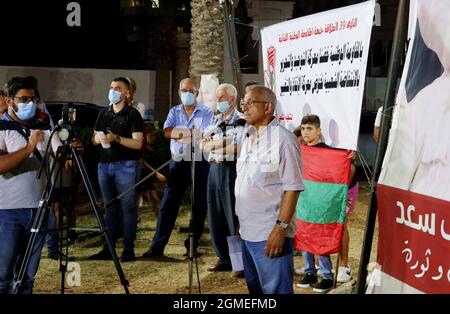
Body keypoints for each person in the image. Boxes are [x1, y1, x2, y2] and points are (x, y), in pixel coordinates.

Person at [235, 85, 304, 294]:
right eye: (243, 102)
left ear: (267, 107)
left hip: (269, 232)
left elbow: (293, 188)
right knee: (255, 290)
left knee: (275, 291)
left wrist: (280, 228)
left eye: (250, 102)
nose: (244, 107)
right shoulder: (246, 136)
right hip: (248, 231)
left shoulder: (284, 140)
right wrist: (242, 220)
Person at [0, 76, 64, 294]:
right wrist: (29, 148)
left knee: (28, 275)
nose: (30, 104)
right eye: (24, 99)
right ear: (9, 100)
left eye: (34, 99)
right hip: (7, 211)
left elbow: (61, 156)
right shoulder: (0, 127)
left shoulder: (44, 125)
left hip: (39, 209)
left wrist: (72, 151)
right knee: (3, 273)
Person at [143, 78, 213, 257]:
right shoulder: (173, 111)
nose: (187, 94)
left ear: (197, 93)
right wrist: (189, 134)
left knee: (199, 205)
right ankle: (157, 247)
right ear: (179, 92)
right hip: (178, 162)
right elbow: (166, 133)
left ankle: (192, 245)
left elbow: (202, 136)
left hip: (200, 162)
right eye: (183, 90)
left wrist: (179, 133)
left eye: (190, 91)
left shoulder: (206, 112)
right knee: (168, 204)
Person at [90, 77, 144, 262]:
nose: (113, 90)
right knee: (110, 208)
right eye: (111, 87)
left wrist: (117, 139)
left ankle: (128, 249)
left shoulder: (132, 114)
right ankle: (108, 248)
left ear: (126, 93)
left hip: (126, 166)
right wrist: (99, 139)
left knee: (128, 208)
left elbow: (138, 143)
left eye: (118, 88)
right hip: (104, 166)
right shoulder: (103, 112)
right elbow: (93, 138)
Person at [200, 83, 244, 274]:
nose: (218, 101)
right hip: (214, 169)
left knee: (231, 216)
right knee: (215, 215)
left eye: (221, 98)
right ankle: (223, 258)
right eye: (217, 98)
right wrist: (217, 144)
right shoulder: (215, 119)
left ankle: (239, 262)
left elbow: (237, 146)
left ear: (232, 100)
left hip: (230, 169)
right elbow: (203, 143)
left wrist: (214, 145)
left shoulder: (241, 120)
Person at [296, 114, 335, 293]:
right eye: (303, 128)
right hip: (303, 202)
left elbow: (334, 175)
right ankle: (309, 272)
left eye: (309, 128)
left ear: (318, 131)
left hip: (319, 203)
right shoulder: (299, 149)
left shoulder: (327, 151)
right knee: (304, 235)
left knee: (319, 238)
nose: (305, 132)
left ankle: (327, 277)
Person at [141, 123, 167, 218]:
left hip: (154, 177)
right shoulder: (142, 148)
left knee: (157, 199)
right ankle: (160, 218)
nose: (153, 138)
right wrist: (156, 173)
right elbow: (143, 163)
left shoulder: (154, 146)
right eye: (151, 135)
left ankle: (160, 218)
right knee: (154, 198)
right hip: (147, 176)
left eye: (154, 135)